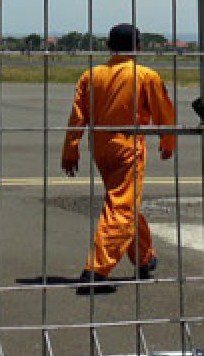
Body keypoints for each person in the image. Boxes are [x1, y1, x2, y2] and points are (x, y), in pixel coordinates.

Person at [62, 23, 176, 292]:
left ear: (109, 46)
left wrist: (70, 148)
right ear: (139, 46)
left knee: (121, 200)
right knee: (121, 206)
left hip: (100, 145)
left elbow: (78, 116)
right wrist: (167, 141)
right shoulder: (145, 75)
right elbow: (163, 112)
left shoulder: (91, 75)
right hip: (127, 144)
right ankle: (97, 270)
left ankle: (145, 257)